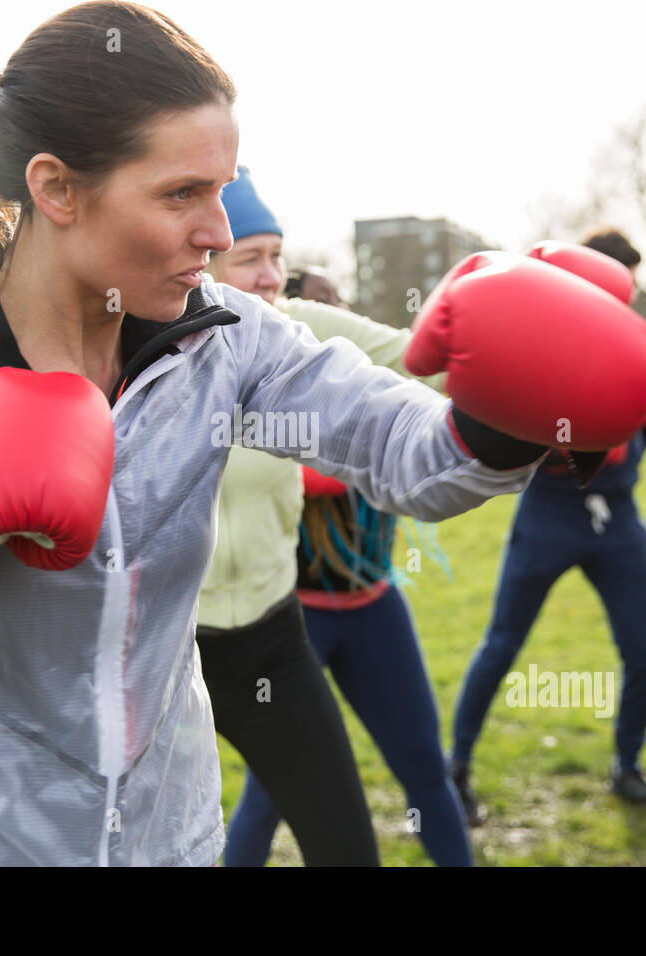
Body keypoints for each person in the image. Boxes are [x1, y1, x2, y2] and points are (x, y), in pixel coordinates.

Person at [0, 2, 646, 865]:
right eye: (181, 193)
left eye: (222, 188)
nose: (219, 232)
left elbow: (410, 456)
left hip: (165, 838)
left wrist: (506, 413)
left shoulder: (224, 342)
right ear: (57, 189)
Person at [199, 171, 473, 865]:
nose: (271, 277)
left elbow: (416, 363)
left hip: (275, 628)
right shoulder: (148, 349)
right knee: (188, 831)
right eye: (250, 258)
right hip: (178, 642)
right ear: (205, 262)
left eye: (277, 256)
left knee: (351, 835)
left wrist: (515, 333)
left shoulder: (294, 329)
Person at [449, 230, 646, 820]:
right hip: (549, 516)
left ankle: (628, 767)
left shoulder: (641, 352)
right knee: (502, 644)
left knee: (645, 653)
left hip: (618, 521)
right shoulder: (544, 349)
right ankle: (455, 769)